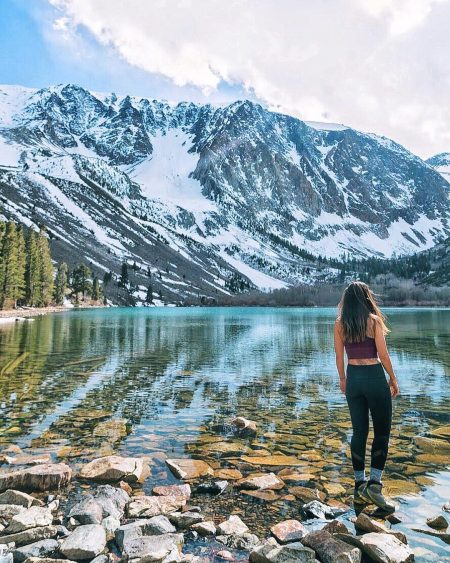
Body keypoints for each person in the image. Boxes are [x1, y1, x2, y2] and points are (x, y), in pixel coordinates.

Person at [334, 281, 400, 513]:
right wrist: (393, 378)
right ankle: (374, 485)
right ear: (366, 298)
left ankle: (359, 485)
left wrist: (343, 379)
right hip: (374, 377)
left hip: (353, 378)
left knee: (359, 432)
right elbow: (383, 354)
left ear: (347, 301)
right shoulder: (373, 321)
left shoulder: (340, 324)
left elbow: (339, 357)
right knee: (381, 432)